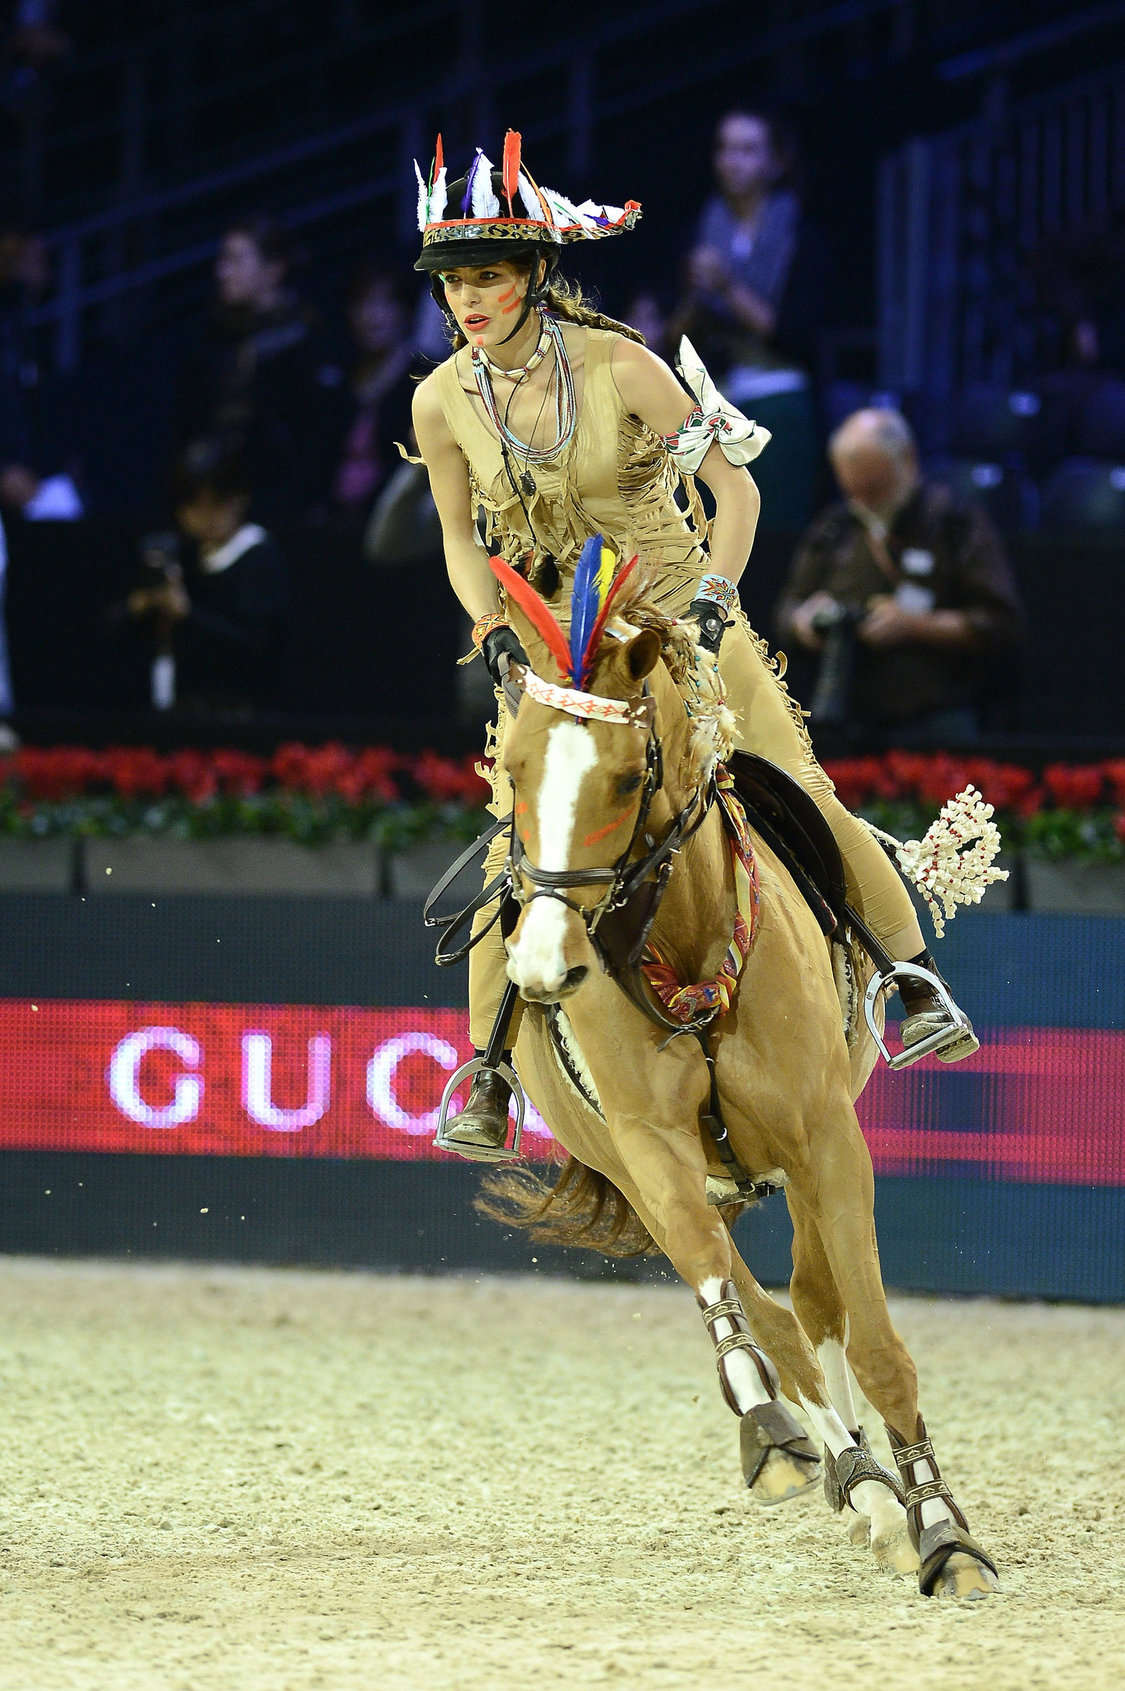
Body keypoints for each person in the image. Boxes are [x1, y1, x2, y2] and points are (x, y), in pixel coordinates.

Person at [410, 133, 980, 1160]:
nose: (470, 298)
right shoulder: (439, 398)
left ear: (536, 274)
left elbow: (738, 490)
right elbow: (459, 536)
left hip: (680, 621)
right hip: (552, 650)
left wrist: (715, 602)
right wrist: (490, 627)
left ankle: (907, 974)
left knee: (790, 791)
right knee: (517, 849)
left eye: (489, 275)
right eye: (455, 282)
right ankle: (488, 1068)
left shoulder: (624, 365)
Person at [775, 409, 1024, 741]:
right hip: (849, 719)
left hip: (937, 719)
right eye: (854, 491)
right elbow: (787, 610)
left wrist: (916, 627)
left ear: (907, 459)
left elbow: (1001, 624)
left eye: (875, 489)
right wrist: (804, 623)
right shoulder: (835, 527)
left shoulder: (953, 522)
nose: (864, 502)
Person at [669, 108, 825, 528]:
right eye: (725, 149)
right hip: (715, 395)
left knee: (772, 530)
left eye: (748, 150)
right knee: (710, 529)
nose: (732, 161)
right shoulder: (701, 227)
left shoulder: (800, 233)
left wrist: (725, 288)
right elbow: (674, 338)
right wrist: (692, 296)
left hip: (780, 393)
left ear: (776, 161)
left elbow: (794, 335)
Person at [176, 215, 339, 527]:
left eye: (236, 260)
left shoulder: (307, 340)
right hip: (211, 506)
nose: (222, 272)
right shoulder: (210, 341)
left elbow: (317, 442)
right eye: (222, 259)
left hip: (280, 512)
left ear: (273, 269)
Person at [124, 441, 293, 713]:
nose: (201, 518)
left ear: (238, 498)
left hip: (238, 713)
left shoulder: (258, 555)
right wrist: (139, 607)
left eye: (213, 506)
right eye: (191, 507)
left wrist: (187, 614)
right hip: (180, 707)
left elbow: (260, 647)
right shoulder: (181, 552)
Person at [329, 264, 420, 525]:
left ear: (404, 309)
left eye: (384, 303)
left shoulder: (422, 378)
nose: (372, 316)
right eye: (363, 304)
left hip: (392, 520)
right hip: (335, 516)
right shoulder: (341, 377)